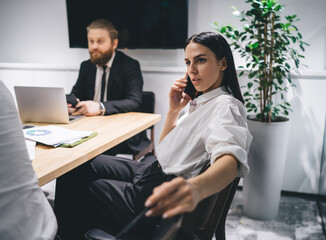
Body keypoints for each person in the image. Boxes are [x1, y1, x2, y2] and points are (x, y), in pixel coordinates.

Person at [54, 32, 252, 239]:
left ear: (223, 64)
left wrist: (195, 189)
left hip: (159, 188)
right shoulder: (202, 101)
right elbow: (165, 150)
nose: (191, 70)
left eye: (200, 60)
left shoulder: (224, 106)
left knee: (90, 186)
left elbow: (230, 161)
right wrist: (174, 111)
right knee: (79, 163)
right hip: (154, 170)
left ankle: (68, 232)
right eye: (187, 62)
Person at [69, 18, 148, 155]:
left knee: (92, 154)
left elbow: (133, 101)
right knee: (70, 152)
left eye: (100, 41)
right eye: (91, 41)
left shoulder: (130, 65)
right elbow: (76, 94)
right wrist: (69, 103)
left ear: (114, 43)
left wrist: (100, 107)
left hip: (120, 131)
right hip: (89, 128)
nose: (94, 47)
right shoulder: (86, 66)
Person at [0, 81, 58, 240]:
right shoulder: (3, 92)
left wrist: (100, 106)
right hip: (39, 223)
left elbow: (134, 100)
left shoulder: (127, 66)